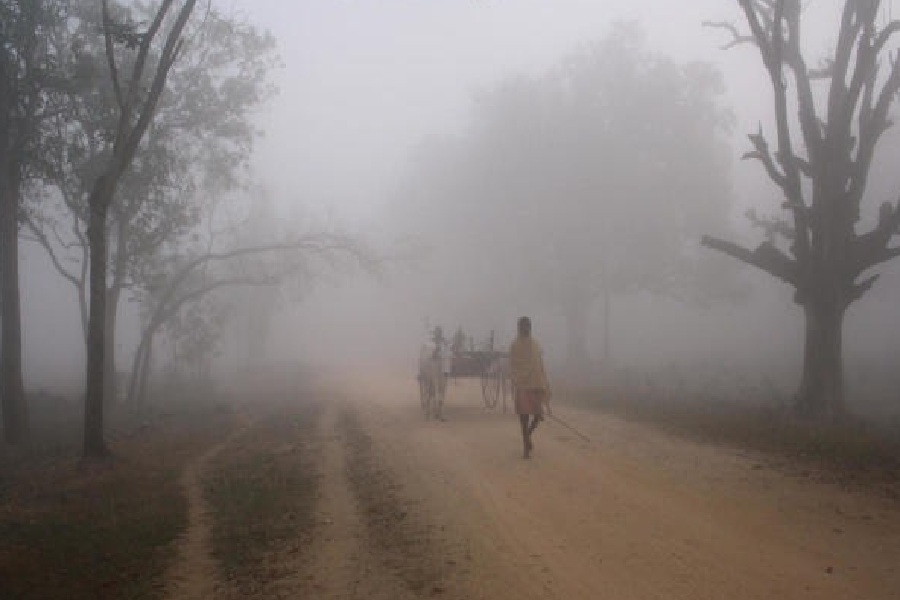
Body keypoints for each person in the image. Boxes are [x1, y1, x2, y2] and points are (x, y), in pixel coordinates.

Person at [509, 316, 551, 459]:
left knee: (538, 415)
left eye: (528, 326)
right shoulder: (514, 346)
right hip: (522, 385)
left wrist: (545, 383)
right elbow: (513, 366)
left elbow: (540, 365)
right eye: (523, 326)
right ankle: (525, 447)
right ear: (519, 328)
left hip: (536, 384)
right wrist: (516, 379)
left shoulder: (536, 345)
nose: (526, 328)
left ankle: (528, 436)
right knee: (524, 417)